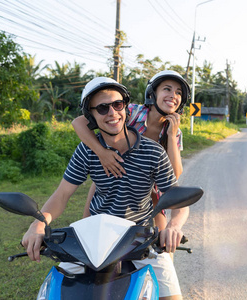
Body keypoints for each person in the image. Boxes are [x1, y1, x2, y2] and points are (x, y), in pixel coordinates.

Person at [21, 77, 188, 299]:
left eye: (117, 105)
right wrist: (38, 224)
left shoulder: (154, 152)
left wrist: (174, 225)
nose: (112, 113)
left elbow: (176, 198)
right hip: (94, 238)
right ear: (91, 116)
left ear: (126, 108)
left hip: (139, 238)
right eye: (102, 108)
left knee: (172, 296)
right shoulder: (87, 151)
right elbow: (61, 195)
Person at [72, 70, 190, 232]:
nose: (173, 95)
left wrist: (170, 135)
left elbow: (174, 174)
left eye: (178, 93)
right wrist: (102, 152)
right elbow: (78, 122)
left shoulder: (175, 132)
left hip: (149, 188)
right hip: (113, 172)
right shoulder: (131, 112)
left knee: (163, 241)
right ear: (152, 93)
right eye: (167, 89)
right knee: (88, 226)